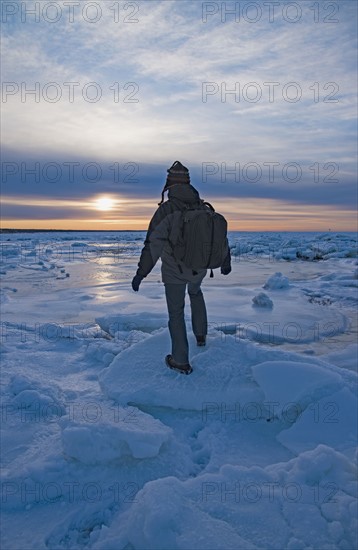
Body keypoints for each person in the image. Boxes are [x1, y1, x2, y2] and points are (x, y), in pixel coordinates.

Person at [131, 161, 231, 374]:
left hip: (174, 269)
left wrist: (141, 273)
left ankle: (180, 360)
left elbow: (153, 244)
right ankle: (201, 335)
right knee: (195, 293)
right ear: (188, 183)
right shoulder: (203, 207)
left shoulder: (166, 210)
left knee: (176, 313)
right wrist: (225, 261)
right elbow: (219, 238)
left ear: (169, 184)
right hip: (199, 267)